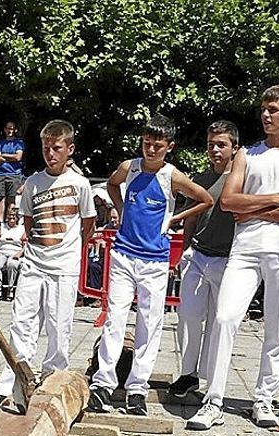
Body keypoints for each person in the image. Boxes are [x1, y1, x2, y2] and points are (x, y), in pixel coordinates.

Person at [187, 85, 279, 430]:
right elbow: (229, 202)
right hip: (244, 250)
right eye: (264, 109)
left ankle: (264, 399)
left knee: (276, 328)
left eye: (273, 109)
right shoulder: (247, 154)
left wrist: (255, 208)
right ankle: (212, 400)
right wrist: (277, 199)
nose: (266, 115)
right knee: (226, 318)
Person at [88, 114, 213, 416]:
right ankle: (103, 383)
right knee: (115, 319)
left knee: (150, 323)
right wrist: (120, 209)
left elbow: (206, 199)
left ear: (169, 146)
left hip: (155, 259)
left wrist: (174, 219)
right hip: (123, 253)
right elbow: (112, 184)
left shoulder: (173, 176)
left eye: (158, 145)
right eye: (147, 144)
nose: (151, 150)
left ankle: (137, 388)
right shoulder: (128, 168)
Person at [0, 120, 95, 411]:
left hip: (64, 266)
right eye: (46, 148)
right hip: (34, 263)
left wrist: (70, 250)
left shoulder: (80, 184)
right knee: (22, 323)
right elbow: (28, 221)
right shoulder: (32, 183)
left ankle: (54, 382)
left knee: (59, 326)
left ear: (70, 149)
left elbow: (88, 223)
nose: (51, 154)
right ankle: (13, 385)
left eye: (57, 148)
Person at [169, 120, 240, 398]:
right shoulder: (199, 179)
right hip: (198, 254)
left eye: (221, 144)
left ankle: (210, 377)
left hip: (228, 258)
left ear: (235, 148)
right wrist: (184, 250)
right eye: (211, 145)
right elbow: (191, 217)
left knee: (217, 322)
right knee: (187, 314)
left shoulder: (241, 180)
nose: (215, 150)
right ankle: (187, 373)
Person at [0, 210, 25, 301]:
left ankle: (10, 289)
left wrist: (19, 253)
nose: (11, 220)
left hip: (15, 251)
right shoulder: (3, 227)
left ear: (17, 218)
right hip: (2, 251)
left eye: (13, 218)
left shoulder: (22, 228)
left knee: (12, 264)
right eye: (9, 218)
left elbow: (26, 244)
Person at [0, 121, 25, 219]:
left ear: (15, 130)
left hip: (14, 174)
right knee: (1, 199)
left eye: (11, 128)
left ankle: (10, 221)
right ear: (4, 130)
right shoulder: (0, 143)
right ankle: (0, 223)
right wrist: (12, 157)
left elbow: (18, 157)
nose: (9, 130)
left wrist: (3, 155)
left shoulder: (19, 143)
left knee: (12, 199)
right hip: (1, 174)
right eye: (8, 128)